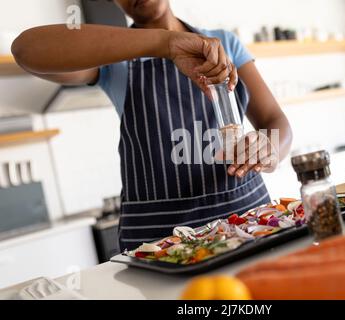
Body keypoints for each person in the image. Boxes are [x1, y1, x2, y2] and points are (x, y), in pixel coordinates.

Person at [12, 0, 293, 251]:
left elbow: (276, 123)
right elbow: (26, 49)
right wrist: (166, 44)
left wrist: (270, 147)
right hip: (162, 246)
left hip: (247, 223)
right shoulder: (112, 58)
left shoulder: (224, 42)